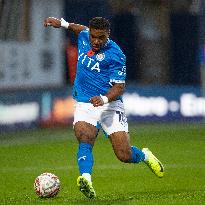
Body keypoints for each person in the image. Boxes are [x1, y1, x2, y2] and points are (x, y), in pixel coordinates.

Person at [44, 16, 164, 199]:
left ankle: (145, 156)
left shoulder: (116, 54)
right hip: (85, 102)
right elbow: (80, 29)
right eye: (94, 37)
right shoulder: (85, 35)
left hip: (109, 105)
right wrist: (63, 24)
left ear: (108, 34)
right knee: (85, 137)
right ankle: (86, 179)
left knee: (124, 154)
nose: (96, 41)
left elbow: (119, 87)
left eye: (101, 37)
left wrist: (104, 98)